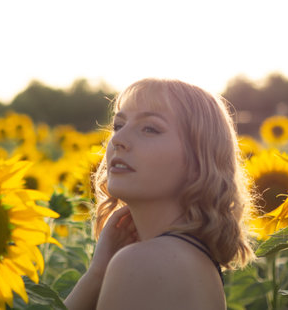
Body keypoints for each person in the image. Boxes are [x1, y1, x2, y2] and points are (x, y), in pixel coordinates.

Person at [65, 78, 256, 310]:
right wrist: (98, 273)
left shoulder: (145, 263)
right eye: (118, 126)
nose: (118, 140)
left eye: (149, 128)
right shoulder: (193, 259)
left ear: (198, 159)